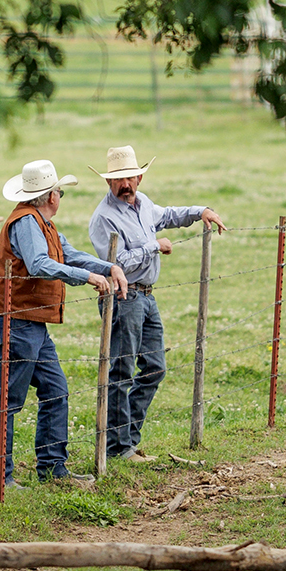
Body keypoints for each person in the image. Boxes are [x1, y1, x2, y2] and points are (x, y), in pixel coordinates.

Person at [0, 159, 129, 489]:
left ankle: (52, 467)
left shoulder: (40, 222)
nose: (60, 196)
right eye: (59, 191)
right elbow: (38, 264)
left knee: (55, 390)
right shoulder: (27, 223)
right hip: (15, 319)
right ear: (50, 196)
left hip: (29, 320)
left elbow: (67, 253)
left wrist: (107, 268)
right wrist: (87, 277)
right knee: (8, 399)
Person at [88, 146, 226, 463]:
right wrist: (154, 246)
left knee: (154, 367)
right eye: (117, 180)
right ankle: (117, 448)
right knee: (121, 370)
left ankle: (127, 441)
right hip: (124, 297)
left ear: (139, 177)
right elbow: (116, 260)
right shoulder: (103, 218)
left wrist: (199, 211)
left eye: (129, 178)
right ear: (108, 183)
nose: (125, 184)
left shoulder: (144, 203)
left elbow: (167, 215)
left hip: (146, 296)